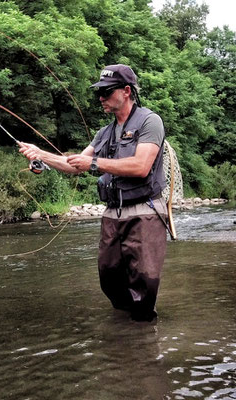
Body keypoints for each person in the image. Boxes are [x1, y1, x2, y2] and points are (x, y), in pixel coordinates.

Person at [19, 64, 168, 322]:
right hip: (112, 215)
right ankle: (123, 334)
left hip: (145, 212)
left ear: (126, 91)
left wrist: (95, 164)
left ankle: (144, 340)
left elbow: (141, 167)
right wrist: (40, 153)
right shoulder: (104, 133)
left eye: (106, 92)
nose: (101, 98)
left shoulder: (149, 121)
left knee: (144, 283)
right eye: (99, 92)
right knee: (109, 277)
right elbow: (73, 165)